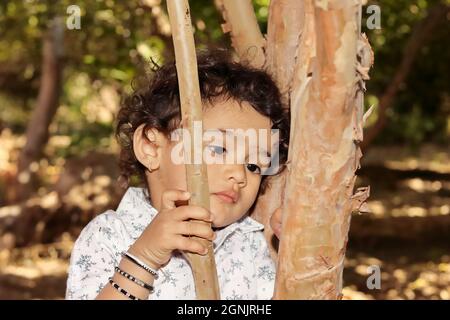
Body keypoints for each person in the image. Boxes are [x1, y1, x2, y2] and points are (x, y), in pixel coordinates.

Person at [66, 50, 290, 300]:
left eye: (253, 166)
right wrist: (145, 257)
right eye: (218, 148)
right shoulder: (110, 235)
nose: (239, 174)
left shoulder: (248, 243)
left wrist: (298, 256)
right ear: (151, 148)